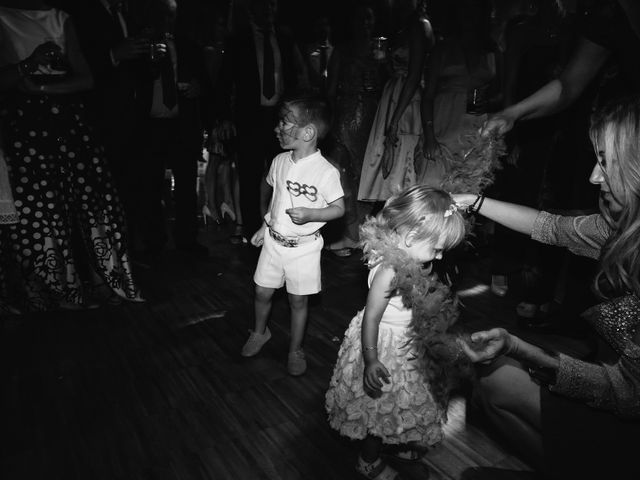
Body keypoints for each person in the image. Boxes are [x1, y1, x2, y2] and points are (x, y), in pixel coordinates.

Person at [454, 95, 640, 479]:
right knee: (489, 390)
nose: (593, 176)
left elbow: (626, 393)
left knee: (493, 393)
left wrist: (520, 348)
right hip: (619, 393)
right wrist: (473, 202)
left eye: (606, 162)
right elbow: (552, 227)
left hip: (627, 411)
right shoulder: (622, 229)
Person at [0, 0, 142, 310]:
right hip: (26, 128)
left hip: (68, 121)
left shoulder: (60, 17)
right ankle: (55, 289)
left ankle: (105, 282)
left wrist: (41, 89)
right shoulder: (3, 17)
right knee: (41, 207)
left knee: (94, 201)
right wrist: (30, 63)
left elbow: (87, 79)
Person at [325, 185, 467, 479]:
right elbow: (371, 320)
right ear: (412, 237)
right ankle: (368, 460)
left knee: (401, 400)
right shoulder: (389, 271)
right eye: (436, 248)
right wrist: (371, 359)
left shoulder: (410, 256)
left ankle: (394, 440)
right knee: (379, 407)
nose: (439, 257)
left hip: (407, 341)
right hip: (384, 345)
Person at [240, 96, 345, 376]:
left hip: (303, 249)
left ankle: (295, 348)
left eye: (284, 123)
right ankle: (260, 332)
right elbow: (278, 200)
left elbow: (338, 209)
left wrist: (313, 215)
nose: (277, 128)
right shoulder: (278, 161)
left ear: (308, 132)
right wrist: (265, 226)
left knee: (298, 301)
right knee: (262, 291)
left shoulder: (325, 171)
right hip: (274, 242)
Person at [324, 2, 386, 257]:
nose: (365, 23)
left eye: (369, 18)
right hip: (345, 114)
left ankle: (359, 234)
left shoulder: (380, 50)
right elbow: (330, 88)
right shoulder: (342, 50)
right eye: (361, 18)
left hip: (372, 114)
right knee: (341, 173)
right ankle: (345, 233)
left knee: (366, 175)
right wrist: (327, 122)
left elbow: (392, 83)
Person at [357, 0, 434, 203]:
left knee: (403, 157)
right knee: (389, 161)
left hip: (407, 99)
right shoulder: (400, 28)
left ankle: (406, 210)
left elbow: (415, 75)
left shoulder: (418, 26)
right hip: (392, 94)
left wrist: (395, 119)